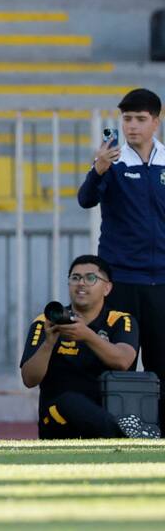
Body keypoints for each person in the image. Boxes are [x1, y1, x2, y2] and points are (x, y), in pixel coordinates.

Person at [77, 88, 165, 427]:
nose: (132, 126)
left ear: (155, 122)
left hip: (160, 281)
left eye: (140, 119)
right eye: (127, 119)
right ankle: (112, 429)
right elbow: (85, 200)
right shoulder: (111, 163)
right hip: (122, 280)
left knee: (161, 362)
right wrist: (97, 170)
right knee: (116, 359)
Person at [20, 255, 157, 439]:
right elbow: (29, 379)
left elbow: (123, 361)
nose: (81, 284)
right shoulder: (46, 322)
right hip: (57, 418)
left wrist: (87, 335)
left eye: (90, 278)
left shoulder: (120, 320)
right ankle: (126, 438)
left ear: (107, 288)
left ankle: (119, 434)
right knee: (68, 401)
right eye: (75, 278)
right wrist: (49, 343)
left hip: (108, 413)